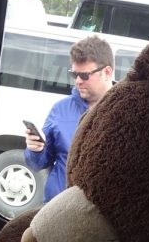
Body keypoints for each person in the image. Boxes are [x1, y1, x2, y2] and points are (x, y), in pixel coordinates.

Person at [24, 34, 114, 203]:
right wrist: (35, 150)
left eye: (85, 75)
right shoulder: (60, 110)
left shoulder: (125, 111)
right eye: (74, 75)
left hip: (102, 214)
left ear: (107, 72)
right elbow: (38, 164)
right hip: (56, 209)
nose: (78, 81)